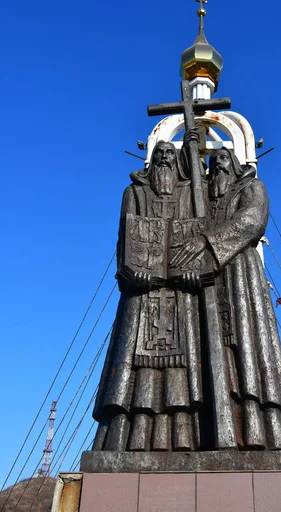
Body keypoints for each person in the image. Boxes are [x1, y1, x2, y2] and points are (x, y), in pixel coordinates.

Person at [171, 147, 281, 451]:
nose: (217, 166)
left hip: (240, 275)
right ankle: (211, 426)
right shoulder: (202, 201)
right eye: (213, 163)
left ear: (235, 164)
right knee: (211, 349)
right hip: (207, 281)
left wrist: (206, 241)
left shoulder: (251, 188)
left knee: (247, 345)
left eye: (223, 160)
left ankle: (258, 427)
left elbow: (252, 220)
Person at [92, 140, 204, 452]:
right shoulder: (135, 193)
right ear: (151, 161)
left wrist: (198, 270)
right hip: (142, 294)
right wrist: (129, 272)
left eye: (171, 153)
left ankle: (185, 437)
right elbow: (123, 239)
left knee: (181, 368)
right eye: (160, 154)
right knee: (134, 368)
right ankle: (129, 438)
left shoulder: (190, 194)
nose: (166, 158)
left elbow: (199, 233)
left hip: (181, 294)